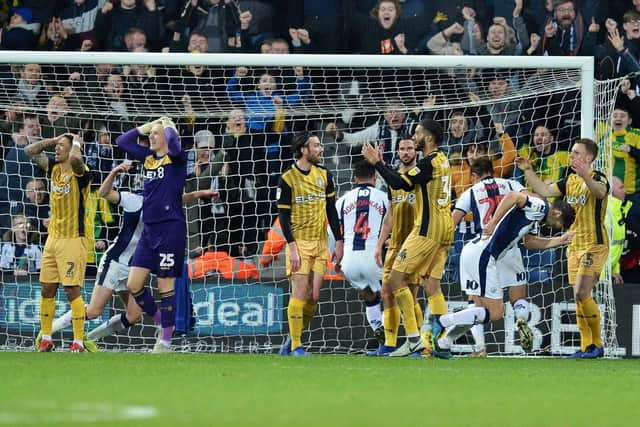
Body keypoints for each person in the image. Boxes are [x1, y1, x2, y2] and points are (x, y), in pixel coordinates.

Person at [37, 162, 216, 346]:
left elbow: (182, 199)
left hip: (135, 267)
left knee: (133, 315)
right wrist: (114, 171)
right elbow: (104, 193)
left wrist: (200, 194)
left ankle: (90, 339)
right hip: (116, 262)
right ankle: (48, 329)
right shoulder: (133, 200)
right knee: (93, 311)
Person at [433, 190, 576, 358]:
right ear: (557, 213)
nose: (554, 228)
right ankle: (440, 321)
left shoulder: (536, 216)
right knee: (495, 313)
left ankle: (443, 343)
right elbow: (513, 196)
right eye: (559, 225)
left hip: (475, 252)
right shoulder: (541, 206)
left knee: (480, 310)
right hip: (483, 255)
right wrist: (493, 222)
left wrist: (560, 240)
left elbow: (529, 243)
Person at [361, 118, 453, 358]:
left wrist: (378, 163)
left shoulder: (428, 162)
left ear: (429, 138)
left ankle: (413, 339)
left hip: (426, 230)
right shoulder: (443, 160)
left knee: (394, 279)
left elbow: (400, 182)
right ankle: (441, 343)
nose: (414, 136)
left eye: (418, 133)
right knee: (432, 285)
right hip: (445, 230)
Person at [516, 137, 609, 359]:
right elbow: (544, 191)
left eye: (576, 153)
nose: (572, 155)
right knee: (578, 297)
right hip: (573, 245)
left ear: (588, 158)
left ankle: (597, 344)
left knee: (581, 292)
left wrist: (585, 173)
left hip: (594, 245)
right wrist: (528, 170)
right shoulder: (569, 181)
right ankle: (587, 346)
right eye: (572, 152)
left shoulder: (598, 177)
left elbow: (600, 193)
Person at [116, 116, 187, 353]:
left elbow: (175, 143)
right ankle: (163, 323)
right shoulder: (148, 159)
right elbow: (122, 141)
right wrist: (146, 126)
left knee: (164, 284)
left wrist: (167, 128)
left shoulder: (177, 159)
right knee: (133, 283)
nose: (151, 137)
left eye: (156, 134)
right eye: (151, 134)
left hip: (170, 228)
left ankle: (165, 341)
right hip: (149, 230)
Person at [452, 158, 532, 356]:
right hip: (510, 247)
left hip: (485, 249)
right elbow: (528, 199)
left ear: (474, 176)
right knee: (517, 297)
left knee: (475, 299)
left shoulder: (471, 191)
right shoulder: (511, 184)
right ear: (493, 171)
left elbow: (453, 220)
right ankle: (521, 317)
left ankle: (480, 347)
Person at [24, 133, 93, 352]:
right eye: (57, 146)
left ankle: (79, 342)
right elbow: (30, 151)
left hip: (73, 239)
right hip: (53, 239)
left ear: (73, 148)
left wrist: (76, 142)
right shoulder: (52, 167)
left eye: (62, 146)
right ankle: (46, 338)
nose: (57, 150)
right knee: (47, 288)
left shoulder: (82, 172)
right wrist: (54, 141)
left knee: (72, 290)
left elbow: (74, 160)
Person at [277, 132, 344, 356]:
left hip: (320, 243)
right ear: (304, 150)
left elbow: (332, 211)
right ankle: (297, 345)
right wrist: (293, 247)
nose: (320, 149)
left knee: (313, 296)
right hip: (299, 243)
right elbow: (283, 218)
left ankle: (292, 337)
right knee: (300, 292)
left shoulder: (324, 174)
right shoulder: (287, 178)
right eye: (316, 146)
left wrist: (340, 241)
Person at [369, 136, 424, 356]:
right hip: (394, 246)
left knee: (410, 293)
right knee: (386, 293)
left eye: (410, 148)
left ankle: (417, 344)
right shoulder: (393, 180)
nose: (406, 152)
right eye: (402, 149)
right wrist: (379, 244)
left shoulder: (421, 177)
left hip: (414, 245)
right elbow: (390, 215)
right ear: (398, 152)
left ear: (416, 151)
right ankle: (389, 343)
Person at [336, 161, 389, 344]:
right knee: (392, 296)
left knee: (369, 296)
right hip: (375, 258)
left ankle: (378, 333)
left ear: (355, 178)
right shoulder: (383, 197)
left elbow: (332, 232)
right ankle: (389, 337)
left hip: (349, 262)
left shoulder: (342, 201)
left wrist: (334, 257)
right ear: (375, 178)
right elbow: (392, 224)